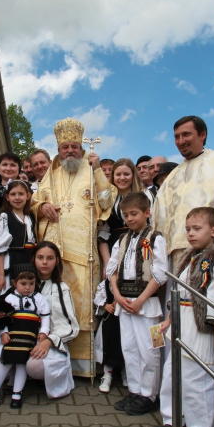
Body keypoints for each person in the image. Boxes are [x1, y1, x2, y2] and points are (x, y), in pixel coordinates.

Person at [31, 118, 115, 375]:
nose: (70, 151)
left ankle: (85, 366)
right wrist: (41, 208)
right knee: (54, 306)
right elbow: (34, 203)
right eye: (65, 146)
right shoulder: (50, 175)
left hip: (85, 254)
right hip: (55, 254)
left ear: (81, 148)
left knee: (84, 307)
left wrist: (99, 170)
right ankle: (54, 357)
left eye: (74, 146)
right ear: (58, 149)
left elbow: (106, 201)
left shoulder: (92, 172)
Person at [156, 207, 214, 427]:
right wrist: (169, 319)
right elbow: (177, 291)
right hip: (181, 323)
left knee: (197, 379)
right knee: (172, 373)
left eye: (197, 229)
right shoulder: (188, 258)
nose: (190, 234)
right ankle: (172, 420)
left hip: (201, 327)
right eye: (188, 229)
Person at [152, 116, 214, 306]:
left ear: (202, 135)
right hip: (175, 258)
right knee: (176, 311)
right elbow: (158, 218)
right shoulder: (173, 175)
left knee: (207, 310)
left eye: (186, 134)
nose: (181, 141)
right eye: (177, 137)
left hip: (210, 253)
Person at [108, 191, 167, 415]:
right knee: (129, 348)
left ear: (147, 212)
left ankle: (150, 394)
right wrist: (117, 295)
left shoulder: (156, 237)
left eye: (134, 214)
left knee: (151, 349)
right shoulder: (123, 239)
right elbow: (112, 269)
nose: (130, 219)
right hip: (125, 303)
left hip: (148, 305)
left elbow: (160, 273)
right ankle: (135, 390)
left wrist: (141, 299)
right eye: (126, 215)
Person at [94, 158, 147, 392]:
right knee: (113, 313)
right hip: (115, 254)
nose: (122, 178)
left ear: (132, 174)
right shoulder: (109, 200)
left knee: (135, 311)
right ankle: (110, 367)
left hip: (139, 255)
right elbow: (102, 235)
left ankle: (130, 367)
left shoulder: (144, 197)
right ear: (112, 177)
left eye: (126, 174)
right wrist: (108, 264)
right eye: (118, 175)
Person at [0, 263, 51, 409]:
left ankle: (17, 393)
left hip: (29, 337)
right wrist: (3, 333)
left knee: (22, 365)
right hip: (12, 337)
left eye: (31, 283)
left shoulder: (40, 299)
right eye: (23, 284)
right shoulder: (9, 298)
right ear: (14, 283)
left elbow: (46, 317)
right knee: (5, 363)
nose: (27, 287)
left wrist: (43, 332)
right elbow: (2, 318)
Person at [25, 241, 79, 398]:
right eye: (40, 257)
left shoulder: (60, 289)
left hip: (50, 342)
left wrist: (48, 341)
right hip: (26, 336)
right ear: (33, 259)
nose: (44, 262)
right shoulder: (24, 284)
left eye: (49, 258)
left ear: (56, 262)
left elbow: (70, 326)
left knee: (34, 366)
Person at [0, 180, 37, 295]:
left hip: (27, 265)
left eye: (21, 194)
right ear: (7, 197)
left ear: (28, 196)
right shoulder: (5, 217)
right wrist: (1, 275)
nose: (17, 197)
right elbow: (0, 249)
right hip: (11, 263)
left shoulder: (30, 217)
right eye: (13, 194)